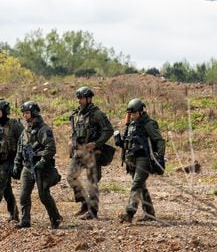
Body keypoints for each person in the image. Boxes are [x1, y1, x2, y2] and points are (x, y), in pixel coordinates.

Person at [12, 101, 62, 229]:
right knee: (23, 195)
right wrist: (17, 163)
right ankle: (25, 220)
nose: (25, 115)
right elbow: (20, 148)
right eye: (23, 113)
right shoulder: (25, 131)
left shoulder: (44, 129)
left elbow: (51, 148)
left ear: (34, 113)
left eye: (27, 113)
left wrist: (42, 161)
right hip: (27, 166)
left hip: (40, 167)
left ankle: (55, 218)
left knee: (43, 195)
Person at [67, 86, 113, 220]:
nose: (79, 101)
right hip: (79, 152)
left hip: (92, 153)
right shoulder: (77, 114)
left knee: (92, 182)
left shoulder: (97, 114)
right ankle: (84, 204)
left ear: (88, 99)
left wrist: (96, 143)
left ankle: (93, 211)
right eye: (78, 98)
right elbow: (75, 132)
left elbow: (108, 130)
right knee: (71, 177)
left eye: (81, 98)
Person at [115, 98, 165, 223]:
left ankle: (129, 213)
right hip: (132, 159)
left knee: (136, 185)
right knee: (141, 187)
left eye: (134, 113)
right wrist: (120, 142)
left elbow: (159, 140)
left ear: (141, 111)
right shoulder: (131, 124)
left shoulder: (148, 124)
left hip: (144, 159)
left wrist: (160, 157)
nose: (132, 116)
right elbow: (128, 142)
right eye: (131, 114)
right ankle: (150, 213)